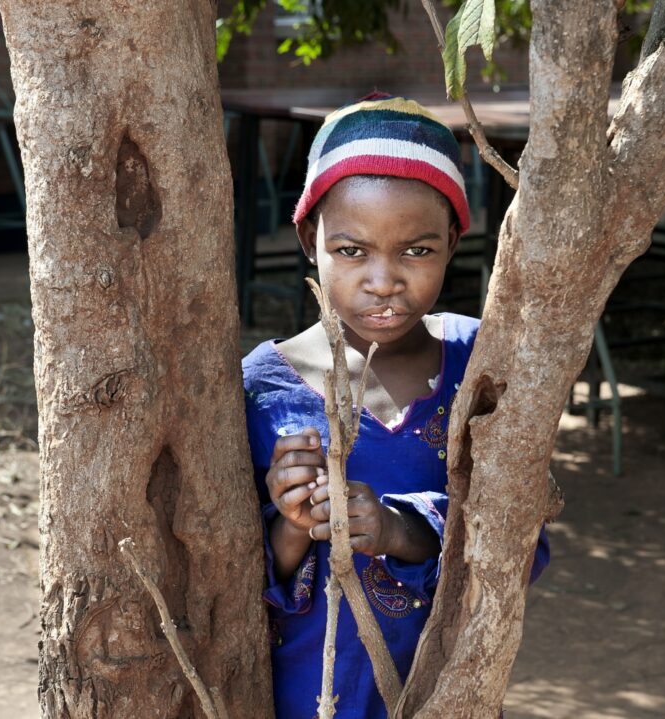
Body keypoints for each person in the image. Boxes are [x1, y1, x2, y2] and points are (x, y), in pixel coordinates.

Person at [242, 93, 550, 719]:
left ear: (454, 241)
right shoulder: (259, 389)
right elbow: (226, 573)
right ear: (310, 239)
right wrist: (292, 525)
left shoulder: (479, 365)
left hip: (441, 691)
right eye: (352, 251)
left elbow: (525, 536)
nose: (383, 280)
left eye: (417, 250)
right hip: (305, 693)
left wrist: (397, 529)